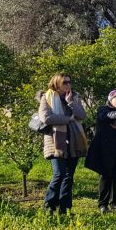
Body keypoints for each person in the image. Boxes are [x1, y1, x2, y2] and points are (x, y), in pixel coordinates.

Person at [38, 73, 88, 215]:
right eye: (65, 82)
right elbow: (46, 117)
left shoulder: (74, 97)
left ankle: (65, 208)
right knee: (59, 174)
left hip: (74, 140)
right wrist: (68, 119)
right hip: (55, 142)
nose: (68, 84)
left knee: (69, 176)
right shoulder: (47, 97)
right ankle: (49, 206)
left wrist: (71, 102)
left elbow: (82, 116)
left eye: (69, 82)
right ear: (57, 83)